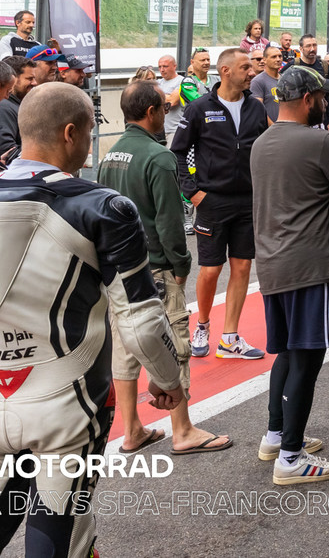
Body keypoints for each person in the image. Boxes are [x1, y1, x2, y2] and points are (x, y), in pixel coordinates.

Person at [0, 82, 182, 557]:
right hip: (69, 403)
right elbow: (141, 321)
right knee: (59, 538)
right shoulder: (102, 207)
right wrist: (169, 380)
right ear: (69, 133)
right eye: (87, 133)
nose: (88, 145)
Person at [97, 82, 230, 457]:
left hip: (117, 271)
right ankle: (183, 429)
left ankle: (132, 430)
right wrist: (181, 265)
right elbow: (170, 221)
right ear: (154, 111)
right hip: (153, 268)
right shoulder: (159, 157)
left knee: (124, 348)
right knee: (174, 345)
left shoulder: (111, 155)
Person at [251, 63, 329, 482]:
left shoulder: (262, 142)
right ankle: (291, 459)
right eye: (322, 97)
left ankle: (276, 436)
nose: (326, 103)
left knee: (288, 352)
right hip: (312, 263)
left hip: (273, 262)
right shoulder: (320, 142)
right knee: (308, 358)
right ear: (309, 100)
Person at [171, 48, 267, 361]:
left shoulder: (256, 107)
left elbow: (268, 148)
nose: (251, 73)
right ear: (225, 71)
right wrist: (192, 193)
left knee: (242, 266)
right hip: (212, 201)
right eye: (245, 68)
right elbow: (177, 154)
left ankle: (230, 337)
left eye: (251, 68)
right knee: (211, 270)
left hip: (247, 201)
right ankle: (201, 325)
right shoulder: (199, 108)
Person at [0, 55, 37, 156]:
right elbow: (6, 150)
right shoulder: (3, 108)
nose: (35, 83)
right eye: (29, 79)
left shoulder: (17, 105)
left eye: (34, 78)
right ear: (13, 79)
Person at [251, 44, 284, 122]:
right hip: (269, 131)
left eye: (280, 56)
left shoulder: (285, 79)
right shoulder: (258, 81)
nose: (278, 59)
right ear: (264, 60)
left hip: (286, 128)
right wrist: (273, 128)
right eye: (274, 57)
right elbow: (258, 110)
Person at [156, 53, 185, 139]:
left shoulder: (182, 81)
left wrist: (157, 96)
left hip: (174, 130)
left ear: (174, 66)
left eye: (165, 66)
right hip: (159, 130)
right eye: (160, 67)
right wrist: (167, 95)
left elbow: (172, 102)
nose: (162, 69)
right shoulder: (158, 82)